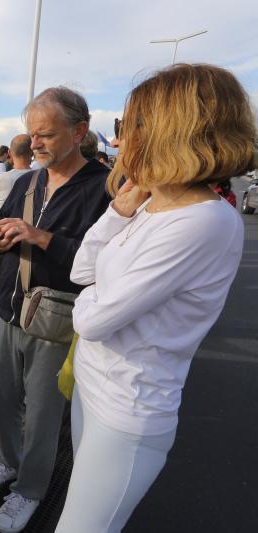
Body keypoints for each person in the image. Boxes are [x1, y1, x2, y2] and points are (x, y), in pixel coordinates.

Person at [55, 63, 252, 533]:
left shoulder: (203, 221)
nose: (120, 141)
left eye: (129, 126)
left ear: (171, 131)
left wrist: (94, 297)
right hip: (92, 386)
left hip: (126, 413)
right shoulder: (148, 203)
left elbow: (93, 321)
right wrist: (119, 212)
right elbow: (80, 270)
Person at [0, 86, 110, 533]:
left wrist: (41, 237)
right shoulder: (28, 181)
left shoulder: (103, 190)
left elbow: (102, 267)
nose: (35, 144)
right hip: (8, 311)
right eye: (32, 135)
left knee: (45, 414)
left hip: (54, 322)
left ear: (79, 131)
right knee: (4, 399)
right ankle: (8, 461)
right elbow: (8, 226)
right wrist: (1, 237)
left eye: (46, 134)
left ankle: (31, 489)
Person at [0, 133, 33, 344]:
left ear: (10, 154)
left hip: (3, 243)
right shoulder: (42, 176)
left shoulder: (2, 179)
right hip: (30, 248)